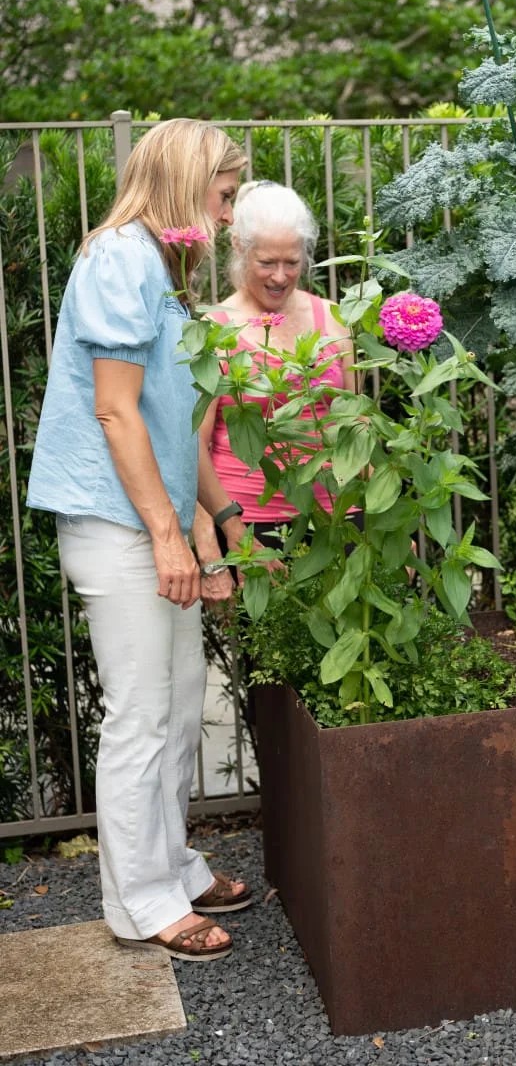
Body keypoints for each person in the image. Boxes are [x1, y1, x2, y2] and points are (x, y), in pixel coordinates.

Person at [27, 118, 254, 963]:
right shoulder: (118, 258)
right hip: (114, 520)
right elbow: (115, 411)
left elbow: (172, 423)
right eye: (224, 197)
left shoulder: (159, 270)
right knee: (140, 715)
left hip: (152, 517)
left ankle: (173, 865)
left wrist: (216, 526)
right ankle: (141, 903)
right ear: (188, 183)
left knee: (179, 698)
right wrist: (167, 534)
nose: (228, 217)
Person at [191, 179, 354, 604]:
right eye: (266, 262)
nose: (280, 276)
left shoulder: (333, 318)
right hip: (253, 532)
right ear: (240, 249)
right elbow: (192, 448)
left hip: (341, 518)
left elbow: (356, 428)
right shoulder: (215, 330)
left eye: (292, 262)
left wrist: (391, 528)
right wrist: (219, 547)